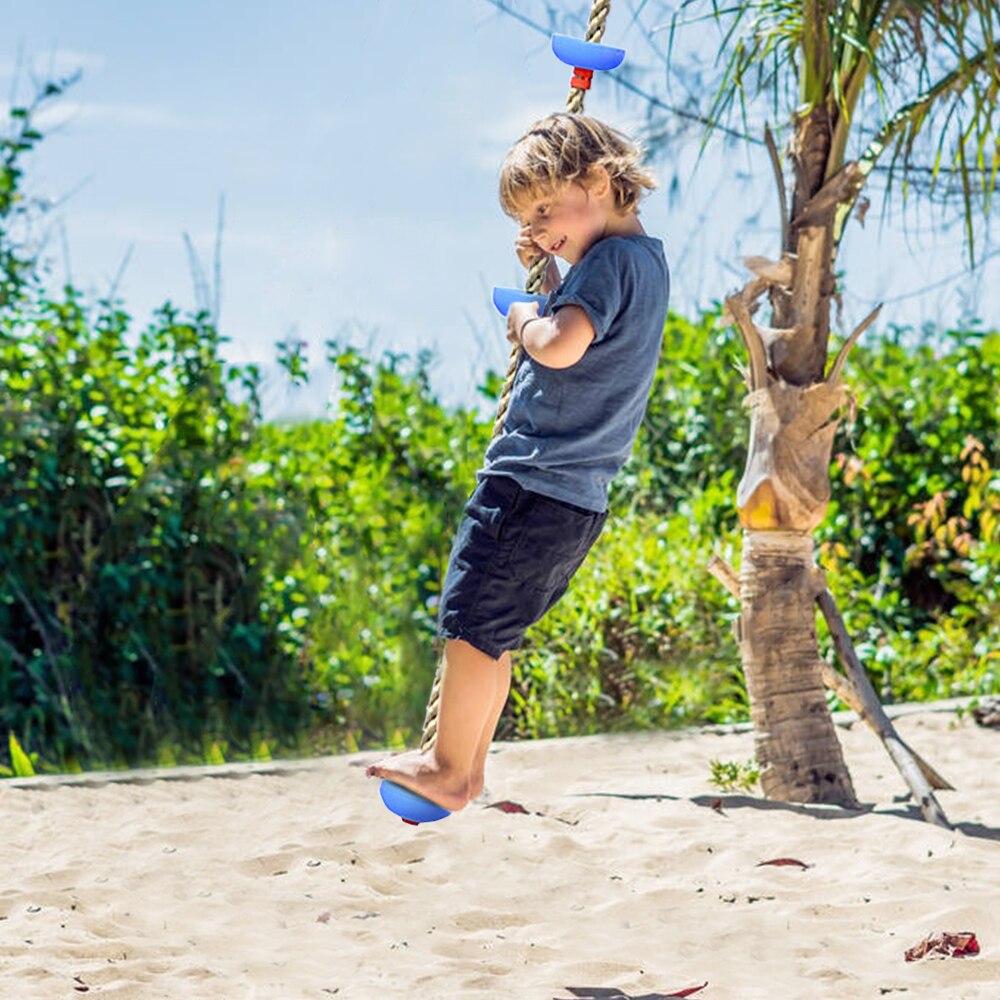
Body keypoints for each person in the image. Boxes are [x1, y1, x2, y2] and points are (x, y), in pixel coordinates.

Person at [366, 112, 670, 813]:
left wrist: (526, 323)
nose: (535, 225)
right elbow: (594, 319)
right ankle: (464, 771)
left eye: (542, 208)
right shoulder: (641, 262)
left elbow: (562, 346)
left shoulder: (606, 265)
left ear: (597, 180)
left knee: (469, 624)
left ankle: (448, 767)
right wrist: (557, 259)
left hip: (534, 482)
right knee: (491, 637)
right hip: (574, 499)